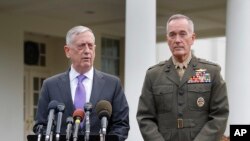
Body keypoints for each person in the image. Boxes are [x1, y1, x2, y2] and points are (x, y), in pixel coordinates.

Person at [136, 14, 229, 141]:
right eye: (172, 34)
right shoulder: (154, 75)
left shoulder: (211, 72)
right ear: (167, 39)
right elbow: (145, 117)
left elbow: (220, 116)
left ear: (192, 38)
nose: (177, 39)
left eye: (183, 34)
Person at [33, 25, 129, 141]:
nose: (87, 51)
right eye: (81, 46)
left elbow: (121, 125)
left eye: (90, 46)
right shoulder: (50, 85)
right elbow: (40, 126)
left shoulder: (112, 84)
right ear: (67, 51)